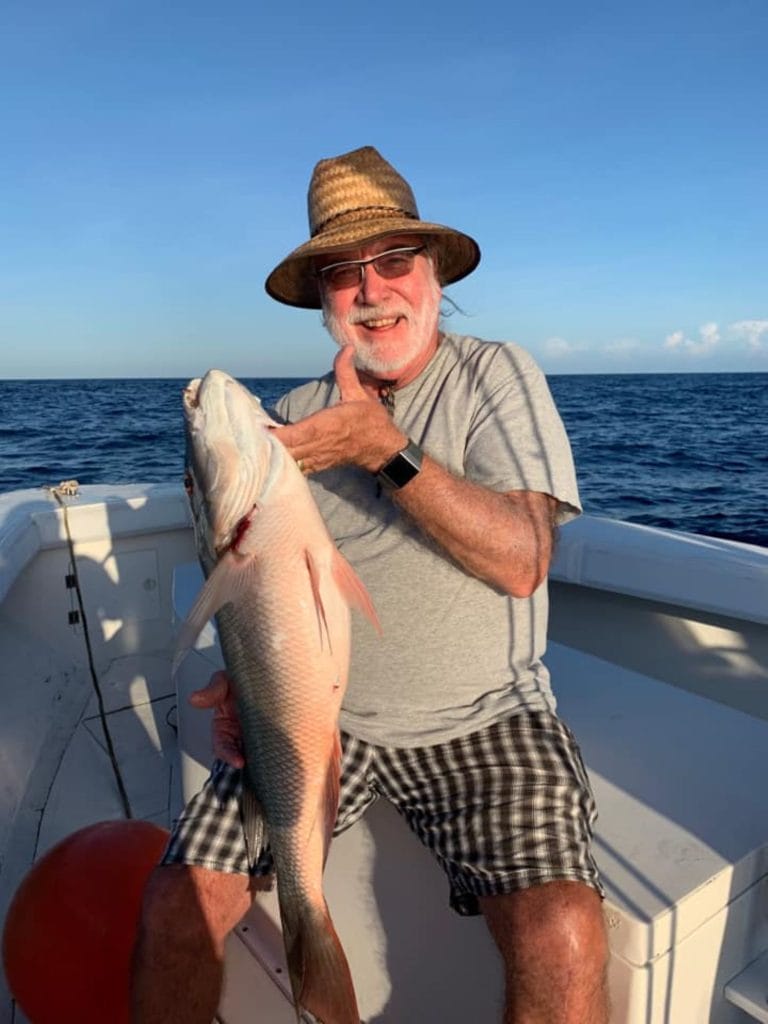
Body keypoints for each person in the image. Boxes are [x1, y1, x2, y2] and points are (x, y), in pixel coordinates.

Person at [131, 146, 610, 1023]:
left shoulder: (495, 375)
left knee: (564, 928)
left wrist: (378, 446)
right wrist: (247, 678)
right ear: (321, 298)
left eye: (394, 260)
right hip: (318, 724)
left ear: (433, 275)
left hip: (483, 720)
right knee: (175, 907)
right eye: (343, 273)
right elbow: (264, 581)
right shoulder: (290, 424)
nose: (372, 288)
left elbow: (522, 559)